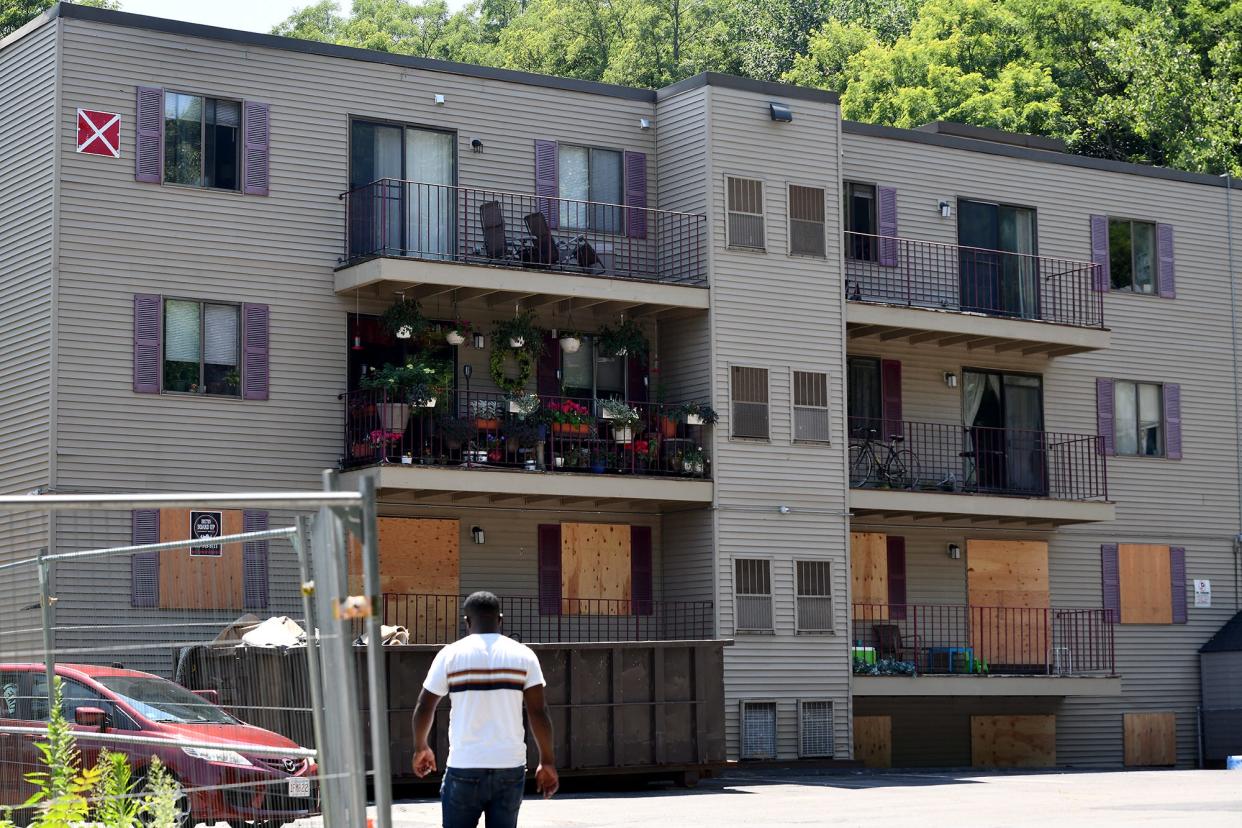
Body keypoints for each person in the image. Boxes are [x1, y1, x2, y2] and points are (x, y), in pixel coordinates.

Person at [411, 591, 559, 828]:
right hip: (509, 766)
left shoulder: (450, 655)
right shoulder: (524, 656)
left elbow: (424, 705)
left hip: (464, 765)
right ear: (500, 619)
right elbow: (539, 712)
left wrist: (421, 747)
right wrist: (547, 761)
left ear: (467, 621)